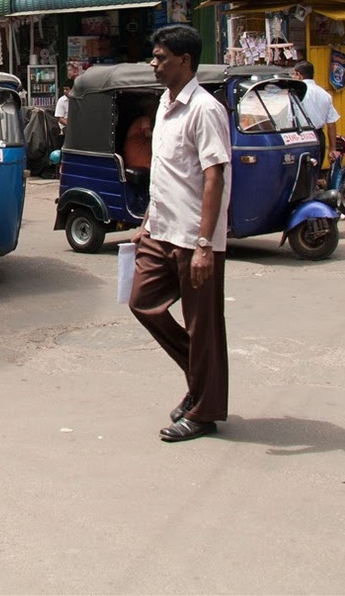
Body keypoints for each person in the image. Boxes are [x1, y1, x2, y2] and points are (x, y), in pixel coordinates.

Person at [126, 25, 232, 444]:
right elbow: (165, 172)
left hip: (194, 237)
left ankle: (205, 409)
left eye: (160, 57)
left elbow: (214, 177)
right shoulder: (165, 105)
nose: (154, 64)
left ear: (184, 61)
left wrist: (206, 244)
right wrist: (147, 220)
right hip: (160, 229)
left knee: (202, 325)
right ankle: (203, 377)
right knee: (142, 303)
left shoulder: (205, 109)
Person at [291, 60, 340, 160]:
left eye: (294, 75)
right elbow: (331, 124)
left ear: (298, 75)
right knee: (315, 171)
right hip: (318, 138)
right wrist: (332, 149)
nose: (293, 77)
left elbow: (289, 119)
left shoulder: (296, 93)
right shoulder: (324, 94)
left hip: (300, 137)